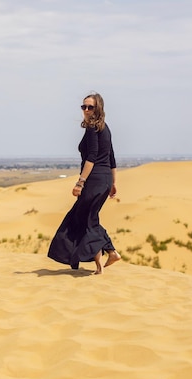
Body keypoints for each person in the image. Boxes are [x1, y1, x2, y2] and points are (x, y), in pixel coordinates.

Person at [47, 92, 121, 274]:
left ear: (98, 108)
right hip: (104, 180)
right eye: (84, 107)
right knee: (88, 219)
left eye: (90, 107)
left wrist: (80, 183)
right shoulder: (105, 128)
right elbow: (111, 158)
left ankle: (111, 251)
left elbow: (92, 157)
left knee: (85, 219)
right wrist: (112, 182)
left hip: (94, 179)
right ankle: (100, 265)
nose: (86, 110)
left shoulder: (92, 128)